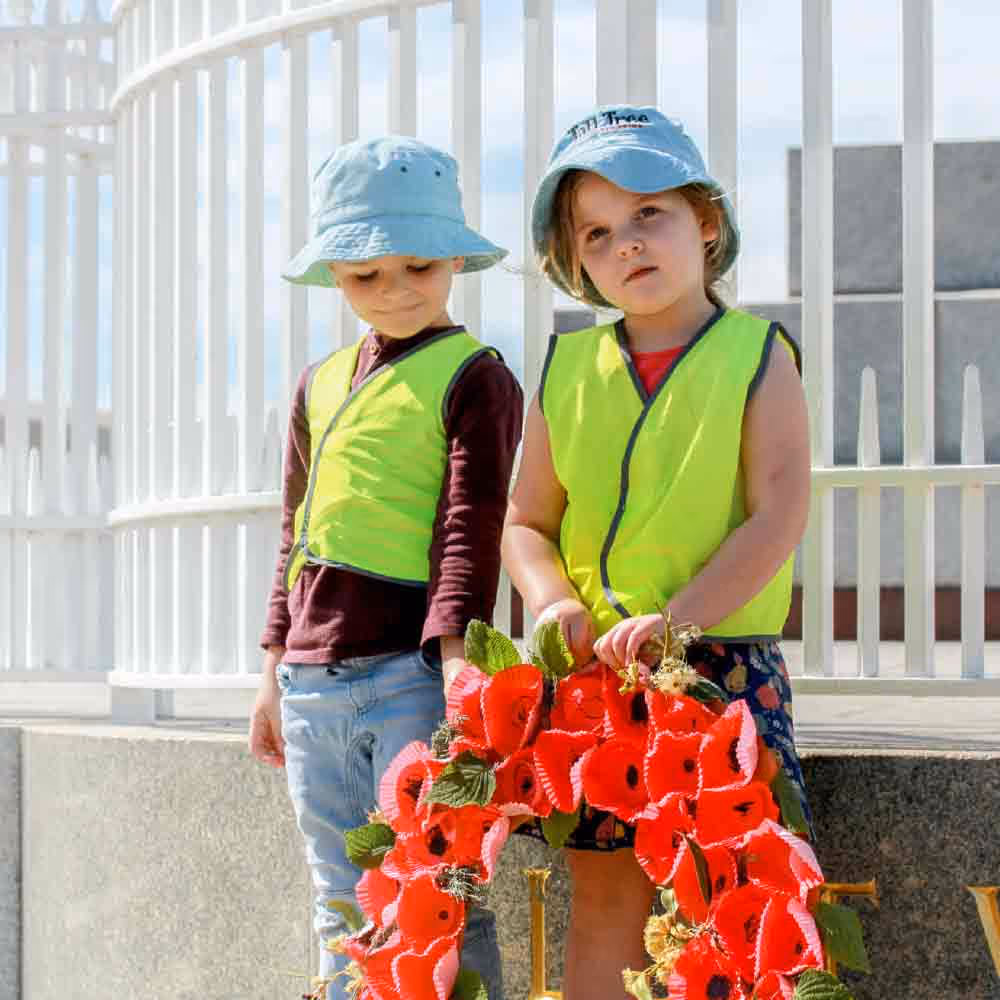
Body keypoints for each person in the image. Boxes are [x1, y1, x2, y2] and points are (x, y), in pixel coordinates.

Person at [502, 106, 813, 1000]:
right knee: (605, 901)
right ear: (576, 261)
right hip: (599, 678)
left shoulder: (757, 353)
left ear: (705, 222)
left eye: (650, 215)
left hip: (720, 668)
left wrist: (679, 620)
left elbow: (778, 512)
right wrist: (555, 601)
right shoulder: (567, 368)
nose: (627, 245)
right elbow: (527, 521)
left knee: (733, 895)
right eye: (597, 233)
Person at [248, 136, 522, 1000]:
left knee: (440, 889)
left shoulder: (477, 376)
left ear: (453, 263)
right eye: (367, 275)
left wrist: (454, 672)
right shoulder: (317, 382)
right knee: (338, 901)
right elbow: (296, 531)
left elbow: (469, 530)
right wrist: (269, 674)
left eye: (419, 265)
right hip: (308, 685)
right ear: (334, 273)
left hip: (410, 675)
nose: (397, 290)